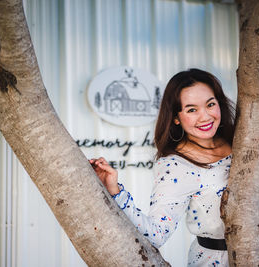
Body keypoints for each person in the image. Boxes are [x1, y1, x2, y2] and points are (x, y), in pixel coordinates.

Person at [90, 68, 235, 266]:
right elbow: (157, 234)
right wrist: (116, 192)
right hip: (215, 260)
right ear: (176, 117)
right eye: (192, 110)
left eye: (210, 104)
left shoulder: (241, 141)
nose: (205, 116)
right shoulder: (176, 165)